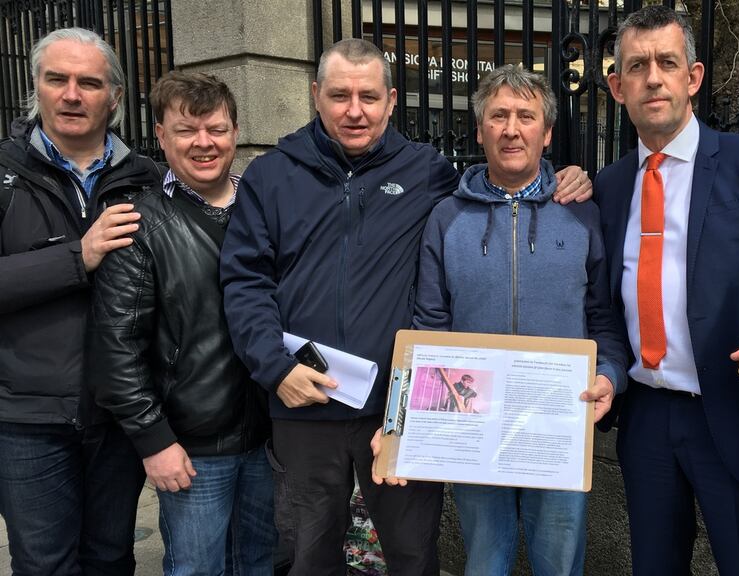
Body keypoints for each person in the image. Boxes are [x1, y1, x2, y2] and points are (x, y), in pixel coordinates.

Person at [220, 38, 592, 576]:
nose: (354, 110)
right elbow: (245, 282)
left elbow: (503, 185)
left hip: (396, 410)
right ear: (315, 95)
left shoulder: (427, 172)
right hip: (303, 403)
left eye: (368, 96)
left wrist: (564, 177)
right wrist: (275, 369)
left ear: (392, 100)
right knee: (308, 557)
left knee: (413, 554)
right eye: (340, 95)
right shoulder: (270, 177)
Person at [593, 6, 739, 575]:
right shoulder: (608, 187)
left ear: (693, 77)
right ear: (617, 87)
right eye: (637, 66)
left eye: (667, 62)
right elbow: (605, 300)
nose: (653, 78)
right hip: (646, 417)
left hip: (736, 415)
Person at [407, 64, 627, 576]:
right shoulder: (446, 218)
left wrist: (610, 375)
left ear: (546, 133)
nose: (511, 129)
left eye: (526, 117)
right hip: (473, 423)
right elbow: (431, 325)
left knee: (559, 562)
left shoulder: (582, 211)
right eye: (498, 115)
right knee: (485, 561)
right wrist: (426, 424)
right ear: (479, 129)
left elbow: (604, 317)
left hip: (558, 420)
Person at [88, 71, 276, 575]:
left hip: (268, 436)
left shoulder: (266, 210)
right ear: (161, 134)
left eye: (216, 129)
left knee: (258, 564)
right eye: (186, 130)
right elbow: (116, 349)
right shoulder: (138, 223)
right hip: (191, 447)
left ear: (235, 132)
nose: (203, 143)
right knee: (196, 569)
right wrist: (154, 440)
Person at [0, 27, 154, 575]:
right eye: (57, 79)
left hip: (119, 416)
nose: (71, 95)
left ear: (114, 97)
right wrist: (77, 257)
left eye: (88, 83)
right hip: (28, 417)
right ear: (36, 87)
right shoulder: (6, 176)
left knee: (111, 559)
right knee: (44, 565)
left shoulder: (147, 178)